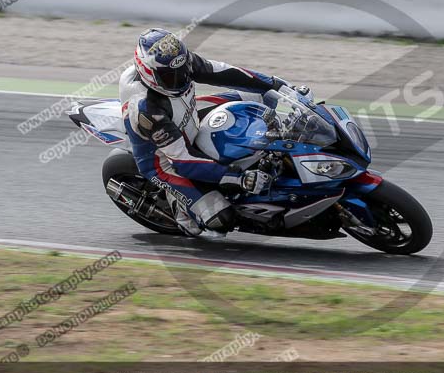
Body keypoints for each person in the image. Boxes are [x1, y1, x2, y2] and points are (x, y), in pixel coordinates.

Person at [120, 28, 310, 236]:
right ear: (149, 73)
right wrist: (239, 178)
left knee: (258, 96)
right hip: (164, 159)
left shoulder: (180, 63)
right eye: (169, 76)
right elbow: (183, 159)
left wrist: (278, 85)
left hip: (188, 113)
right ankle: (181, 210)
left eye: (183, 69)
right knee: (220, 218)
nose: (181, 77)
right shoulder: (146, 109)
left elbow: (227, 72)